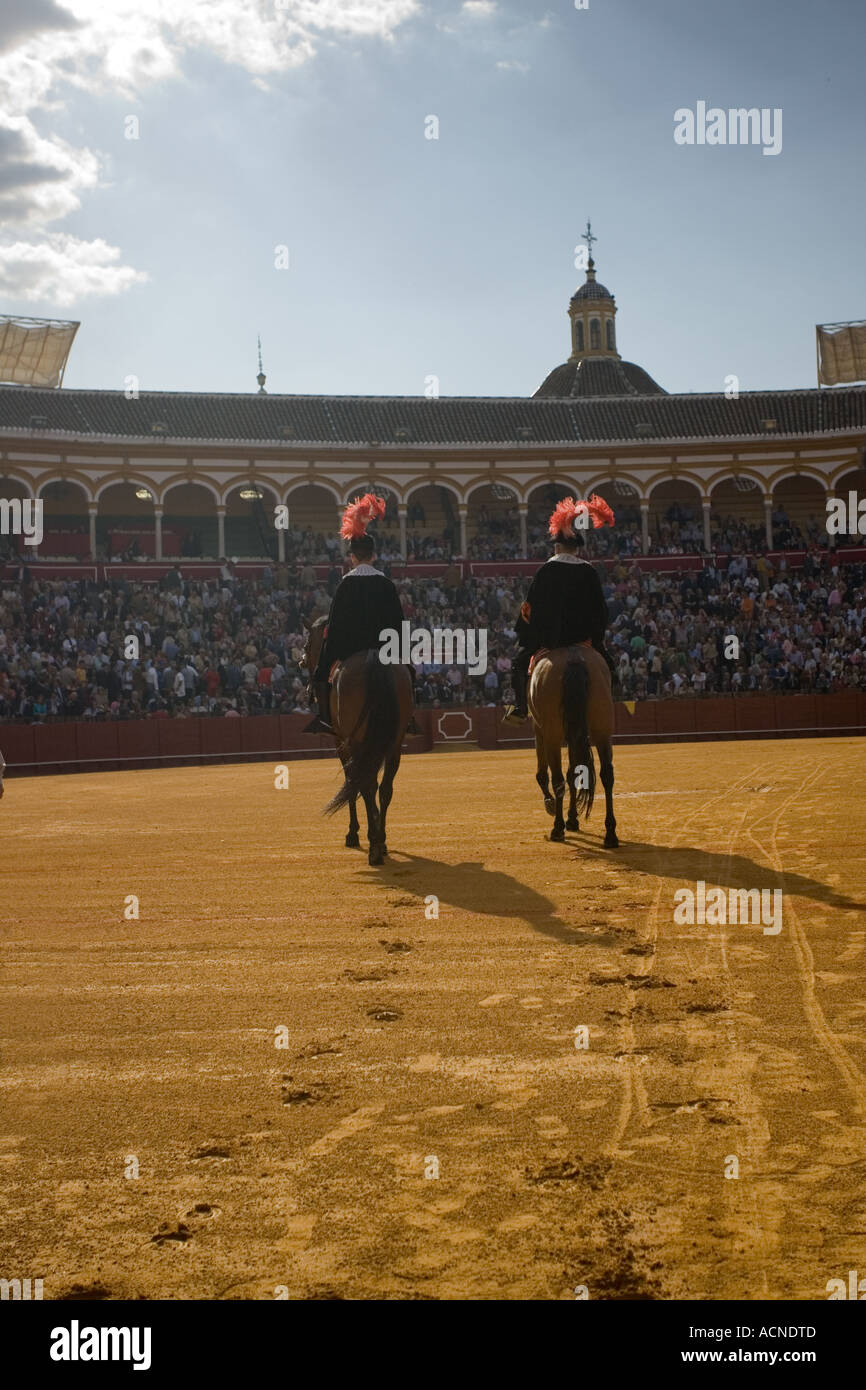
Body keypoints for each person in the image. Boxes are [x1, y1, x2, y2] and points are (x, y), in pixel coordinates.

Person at [503, 494, 617, 724]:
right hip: (584, 638)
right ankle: (610, 701)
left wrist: (527, 636)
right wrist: (596, 639)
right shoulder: (589, 571)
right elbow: (601, 611)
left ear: (556, 546)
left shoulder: (546, 571)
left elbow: (529, 609)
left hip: (551, 640)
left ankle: (521, 708)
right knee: (609, 668)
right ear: (577, 549)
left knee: (518, 665)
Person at [304, 494, 405, 734]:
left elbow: (335, 627)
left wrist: (328, 658)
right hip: (385, 651)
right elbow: (399, 626)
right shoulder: (387, 584)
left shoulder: (345, 585)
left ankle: (326, 719)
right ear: (373, 556)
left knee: (321, 676)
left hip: (350, 650)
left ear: (352, 557)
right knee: (407, 677)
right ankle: (408, 719)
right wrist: (399, 654)